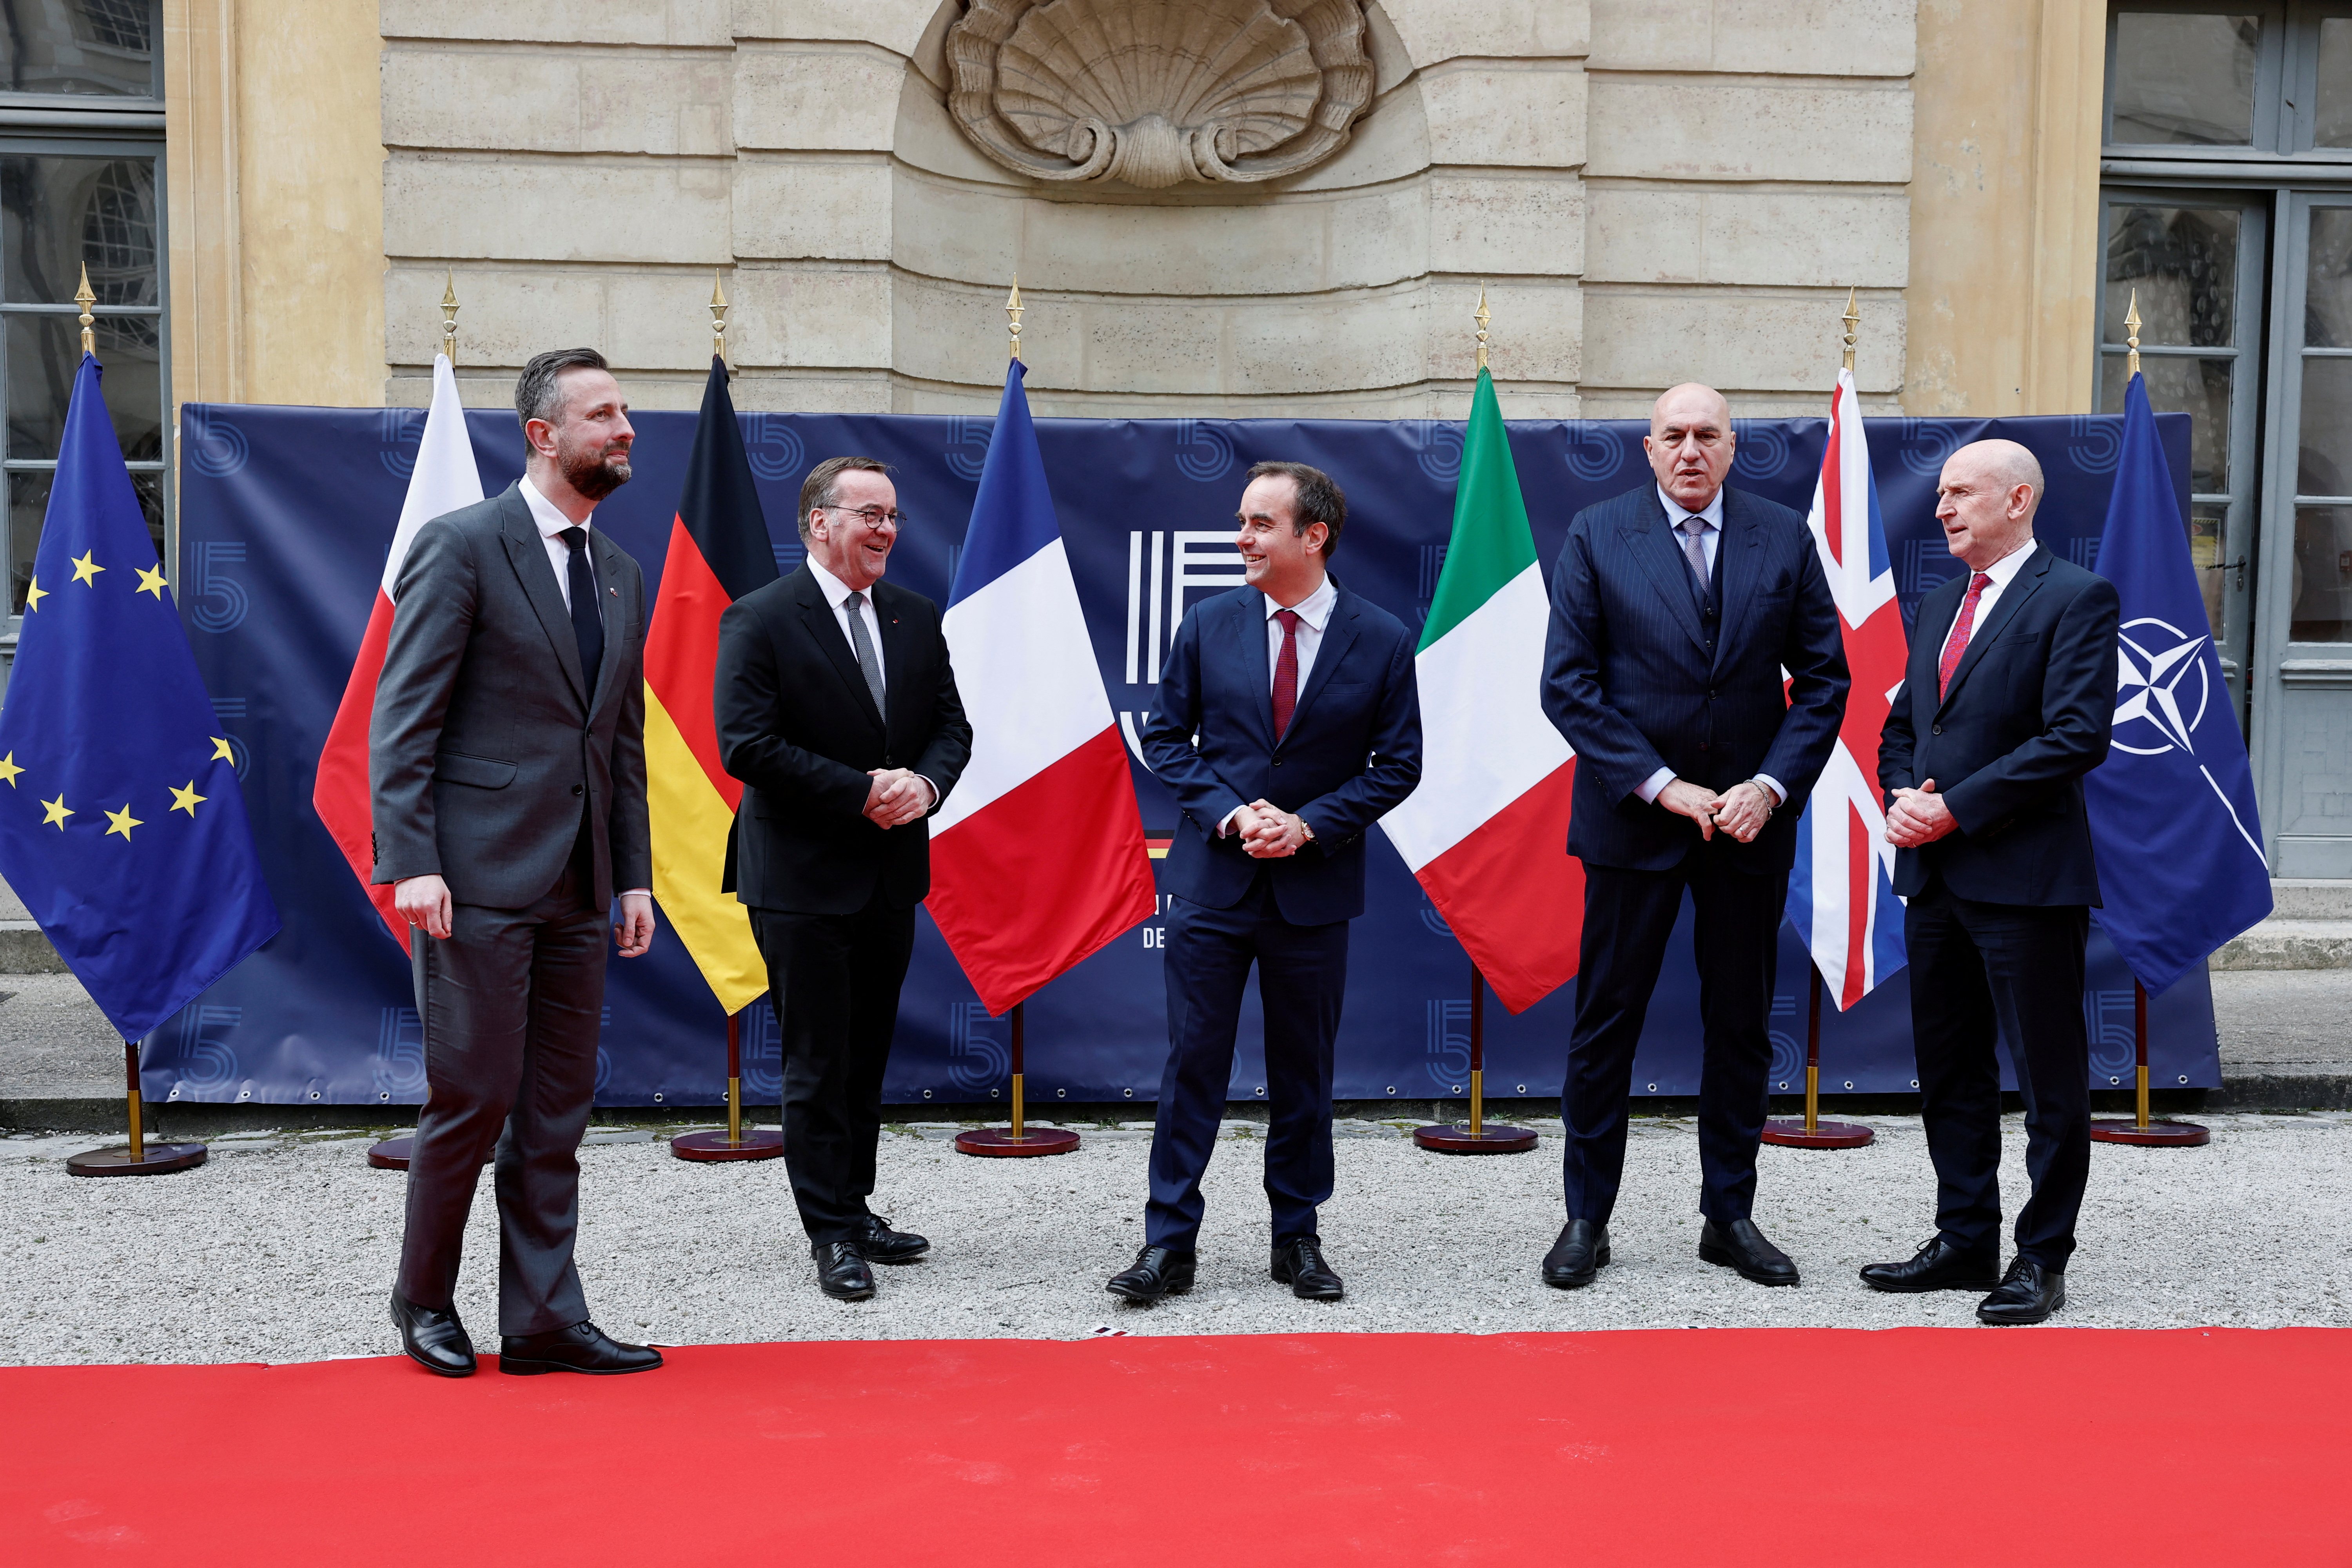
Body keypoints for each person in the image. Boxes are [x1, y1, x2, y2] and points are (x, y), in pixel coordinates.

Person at [372, 347, 661, 1377]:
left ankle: (542, 1319)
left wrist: (632, 876)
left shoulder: (622, 574)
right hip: (476, 880)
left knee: (555, 1111)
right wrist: (412, 861)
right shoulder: (461, 547)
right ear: (543, 437)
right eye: (603, 415)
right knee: (474, 1096)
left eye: (625, 413)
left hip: (581, 888)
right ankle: (424, 1300)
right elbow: (403, 720)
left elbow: (618, 743)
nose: (626, 430)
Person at [1539, 383, 1849, 1290]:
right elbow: (1570, 686)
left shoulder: (1782, 536)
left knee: (1742, 1025)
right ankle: (1586, 1219)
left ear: (1732, 446)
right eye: (1672, 435)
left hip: (1749, 827)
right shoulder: (1599, 534)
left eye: (1706, 434)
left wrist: (1771, 784)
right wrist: (1664, 786)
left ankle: (1730, 1215)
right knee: (1606, 1025)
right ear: (1647, 448)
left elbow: (1825, 680)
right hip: (1635, 821)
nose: (1689, 449)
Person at [1110, 461, 1421, 1305]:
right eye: (1241, 522)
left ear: (1312, 535)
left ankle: (1298, 1237)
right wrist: (1232, 812)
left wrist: (1310, 822)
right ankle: (1168, 1243)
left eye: (1258, 524)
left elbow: (1398, 766)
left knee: (1304, 1073)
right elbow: (1167, 739)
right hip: (1215, 884)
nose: (1241, 538)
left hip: (1313, 892)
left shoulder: (1383, 637)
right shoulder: (1208, 623)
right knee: (1192, 1067)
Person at [1866, 438, 2118, 1326]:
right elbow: (1905, 726)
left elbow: (2076, 735)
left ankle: (2042, 1255)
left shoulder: (2077, 598)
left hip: (2025, 879)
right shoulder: (1938, 604)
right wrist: (1903, 795)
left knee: (2050, 1081)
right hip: (1936, 880)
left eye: (1962, 492)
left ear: (2019, 499)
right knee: (1951, 1070)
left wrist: (1956, 808)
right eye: (1939, 494)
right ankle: (1964, 1234)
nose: (1943, 507)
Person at [715, 457, 971, 1302]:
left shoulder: (914, 616)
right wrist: (861, 790)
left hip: (890, 872)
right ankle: (829, 1232)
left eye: (894, 515)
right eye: (870, 513)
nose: (888, 529)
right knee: (816, 1059)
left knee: (865, 1058)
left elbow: (951, 728)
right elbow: (745, 745)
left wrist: (925, 785)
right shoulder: (759, 618)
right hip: (798, 876)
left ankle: (855, 1206)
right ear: (820, 521)